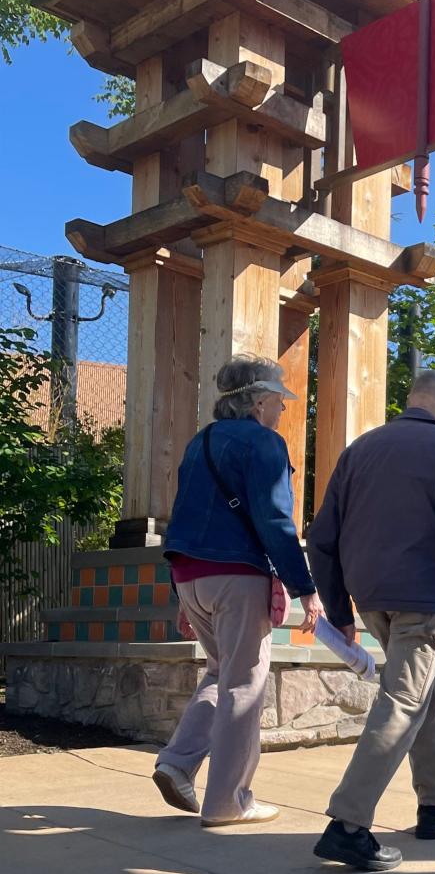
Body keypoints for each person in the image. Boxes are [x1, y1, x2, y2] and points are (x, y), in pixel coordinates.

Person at [308, 368, 435, 872]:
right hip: (426, 594)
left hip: (371, 595)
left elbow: (323, 537)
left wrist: (341, 612)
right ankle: (347, 824)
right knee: (404, 699)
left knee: (419, 688)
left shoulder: (359, 451)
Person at [153, 354, 322, 826]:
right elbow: (273, 520)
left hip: (190, 576)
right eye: (279, 401)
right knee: (245, 684)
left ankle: (177, 763)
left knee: (219, 673)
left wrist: (180, 591)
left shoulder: (198, 443)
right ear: (261, 401)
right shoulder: (266, 444)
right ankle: (229, 801)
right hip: (237, 576)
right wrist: (305, 586)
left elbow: (184, 517)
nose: (283, 410)